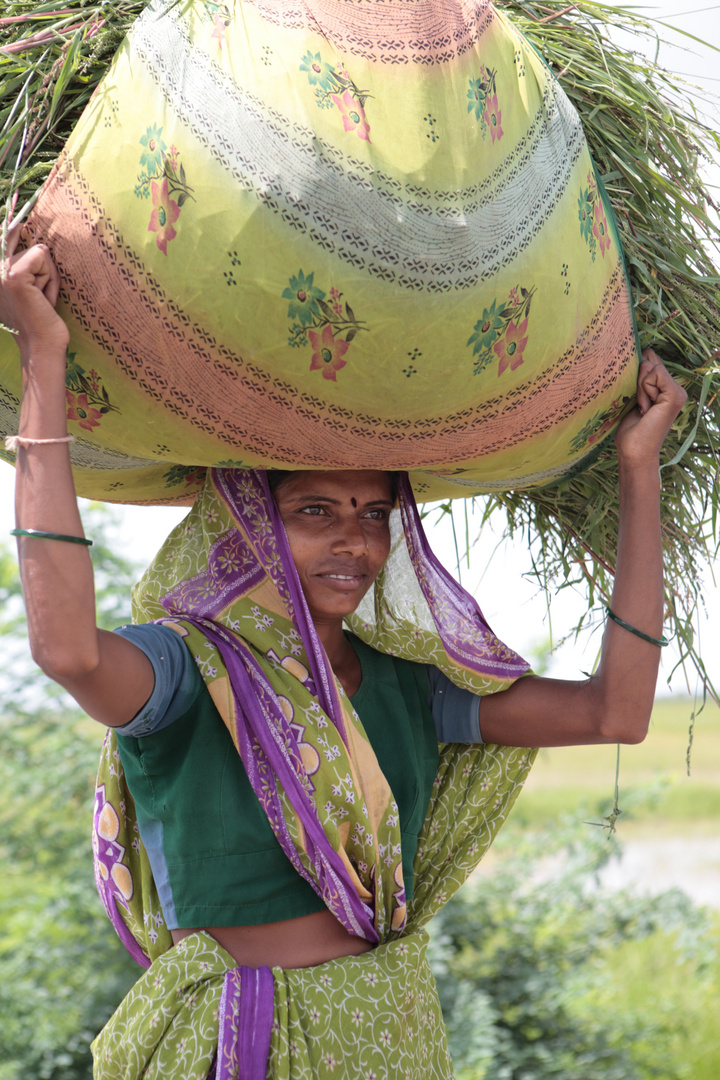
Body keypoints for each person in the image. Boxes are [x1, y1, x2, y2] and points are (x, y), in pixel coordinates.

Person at [3, 241, 687, 1079]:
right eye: (315, 510)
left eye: (372, 514)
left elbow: (615, 712)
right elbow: (68, 650)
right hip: (242, 1043)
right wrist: (44, 356)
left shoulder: (408, 685)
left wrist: (639, 470)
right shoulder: (189, 670)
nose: (353, 542)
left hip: (387, 1035)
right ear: (246, 525)